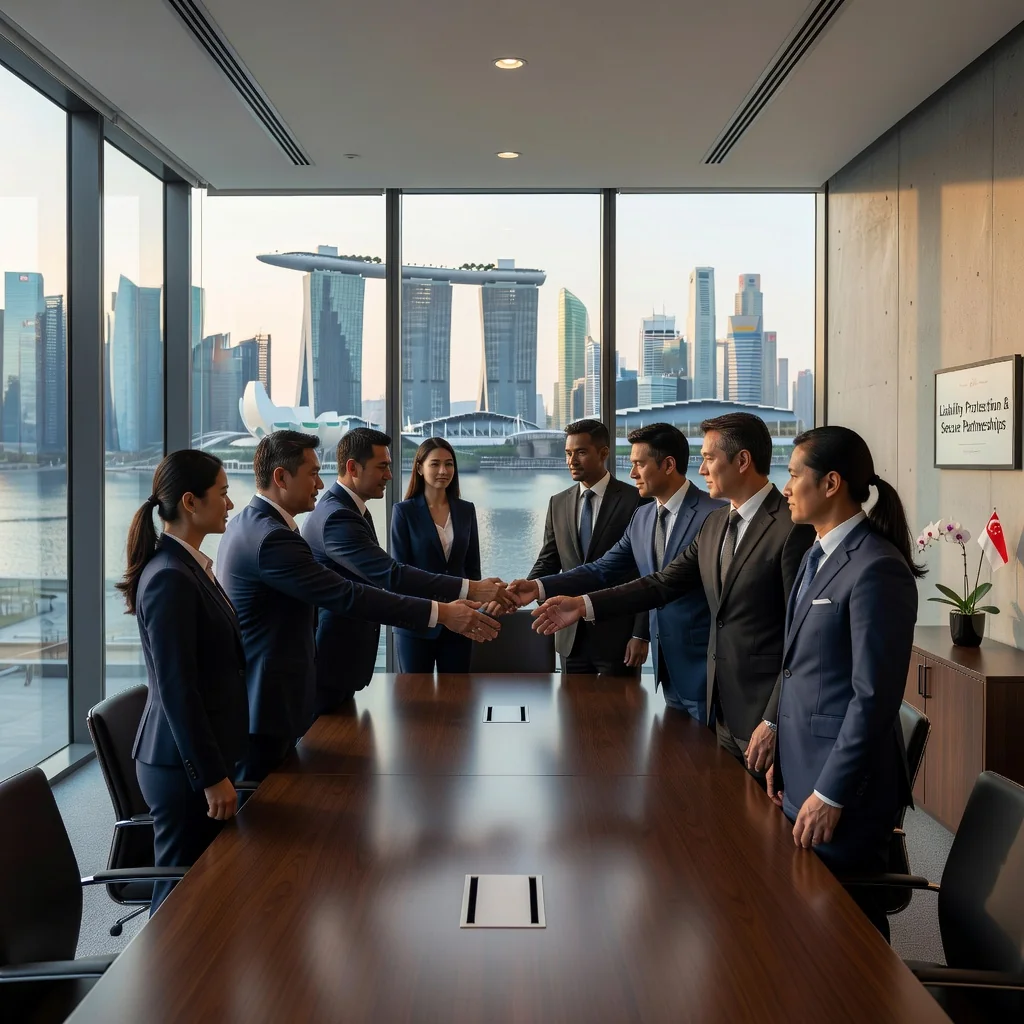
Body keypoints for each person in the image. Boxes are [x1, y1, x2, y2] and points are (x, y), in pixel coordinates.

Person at [533, 413, 815, 776]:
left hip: (763, 712)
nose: (700, 469)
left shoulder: (793, 528)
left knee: (765, 825)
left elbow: (800, 636)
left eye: (709, 458)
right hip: (719, 700)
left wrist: (774, 721)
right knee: (712, 804)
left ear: (742, 461)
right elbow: (661, 583)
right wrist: (582, 604)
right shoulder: (716, 523)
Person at [217, 431, 498, 782]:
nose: (319, 483)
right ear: (281, 477)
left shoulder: (257, 525)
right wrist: (443, 611)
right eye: (312, 473)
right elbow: (355, 591)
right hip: (278, 697)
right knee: (270, 810)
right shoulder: (289, 531)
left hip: (289, 689)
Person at [766, 426, 922, 939]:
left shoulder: (877, 567)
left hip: (844, 788)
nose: (784, 488)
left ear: (831, 483)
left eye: (793, 477)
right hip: (804, 769)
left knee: (849, 934)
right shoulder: (814, 553)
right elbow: (801, 668)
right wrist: (784, 755)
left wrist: (830, 792)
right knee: (809, 923)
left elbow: (873, 697)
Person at [509, 424, 724, 718]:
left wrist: (588, 607)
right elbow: (601, 570)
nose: (633, 473)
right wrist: (538, 587)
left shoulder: (715, 514)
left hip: (705, 667)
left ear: (669, 465)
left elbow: (659, 585)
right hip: (669, 672)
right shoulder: (643, 516)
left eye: (639, 464)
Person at [121, 450, 247, 913]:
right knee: (179, 899)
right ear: (191, 502)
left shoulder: (190, 567)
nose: (231, 504)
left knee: (205, 890)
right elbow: (178, 689)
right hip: (182, 767)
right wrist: (211, 775)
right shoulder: (171, 577)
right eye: (224, 493)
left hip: (198, 755)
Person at [303, 430, 510, 707]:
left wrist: (478, 596)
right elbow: (392, 575)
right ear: (353, 468)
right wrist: (472, 589)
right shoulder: (339, 516)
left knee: (456, 705)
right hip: (342, 651)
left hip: (350, 654)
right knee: (408, 711)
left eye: (449, 464)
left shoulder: (354, 511)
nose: (389, 475)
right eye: (383, 466)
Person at [525, 419, 649, 675]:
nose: (572, 460)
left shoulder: (636, 501)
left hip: (618, 637)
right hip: (569, 636)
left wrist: (641, 633)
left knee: (621, 714)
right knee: (571, 714)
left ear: (603, 453)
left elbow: (646, 574)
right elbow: (548, 561)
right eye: (568, 453)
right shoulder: (557, 503)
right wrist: (519, 592)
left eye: (581, 452)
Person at [391, 437, 491, 673]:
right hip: (416, 623)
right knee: (415, 700)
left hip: (460, 622)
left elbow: (472, 569)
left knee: (459, 697)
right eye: (435, 464)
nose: (443, 471)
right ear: (419, 468)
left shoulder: (466, 510)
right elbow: (400, 573)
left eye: (449, 464)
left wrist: (474, 610)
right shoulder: (403, 512)